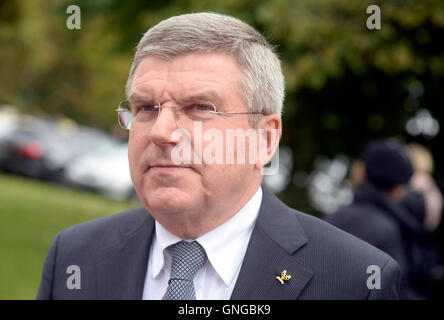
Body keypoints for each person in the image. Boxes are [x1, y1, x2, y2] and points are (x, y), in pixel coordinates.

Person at [37, 12, 400, 300]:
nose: (162, 132)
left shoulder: (354, 280)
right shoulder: (75, 256)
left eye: (199, 107)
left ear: (265, 138)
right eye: (146, 107)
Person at [329, 138, 430, 299]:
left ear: (364, 173)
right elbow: (391, 290)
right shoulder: (390, 229)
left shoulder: (335, 216)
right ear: (399, 186)